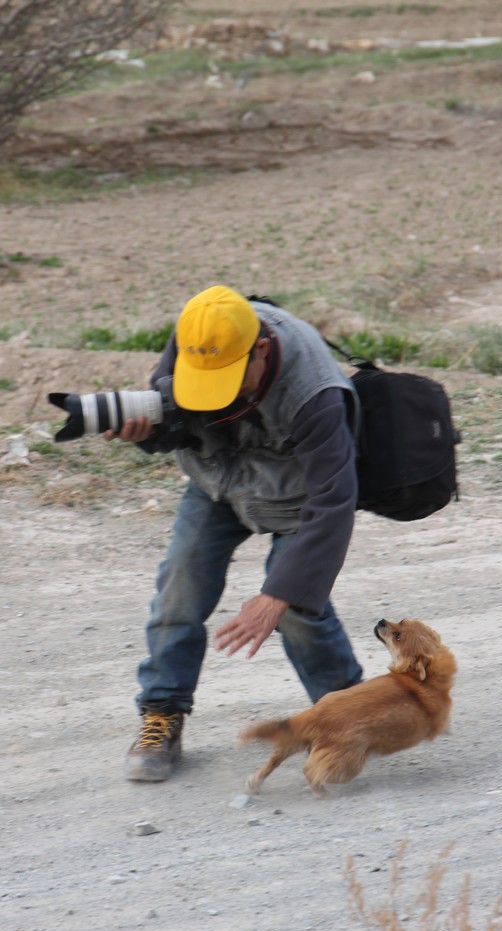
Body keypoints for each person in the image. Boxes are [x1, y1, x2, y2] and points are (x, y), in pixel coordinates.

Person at [108, 285, 364, 782]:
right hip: (217, 483)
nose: (213, 390)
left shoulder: (316, 393)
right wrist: (147, 434)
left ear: (261, 350)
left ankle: (349, 720)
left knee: (297, 612)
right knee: (178, 586)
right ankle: (163, 710)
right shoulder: (195, 337)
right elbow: (176, 421)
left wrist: (276, 596)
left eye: (227, 379)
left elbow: (333, 503)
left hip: (296, 498)